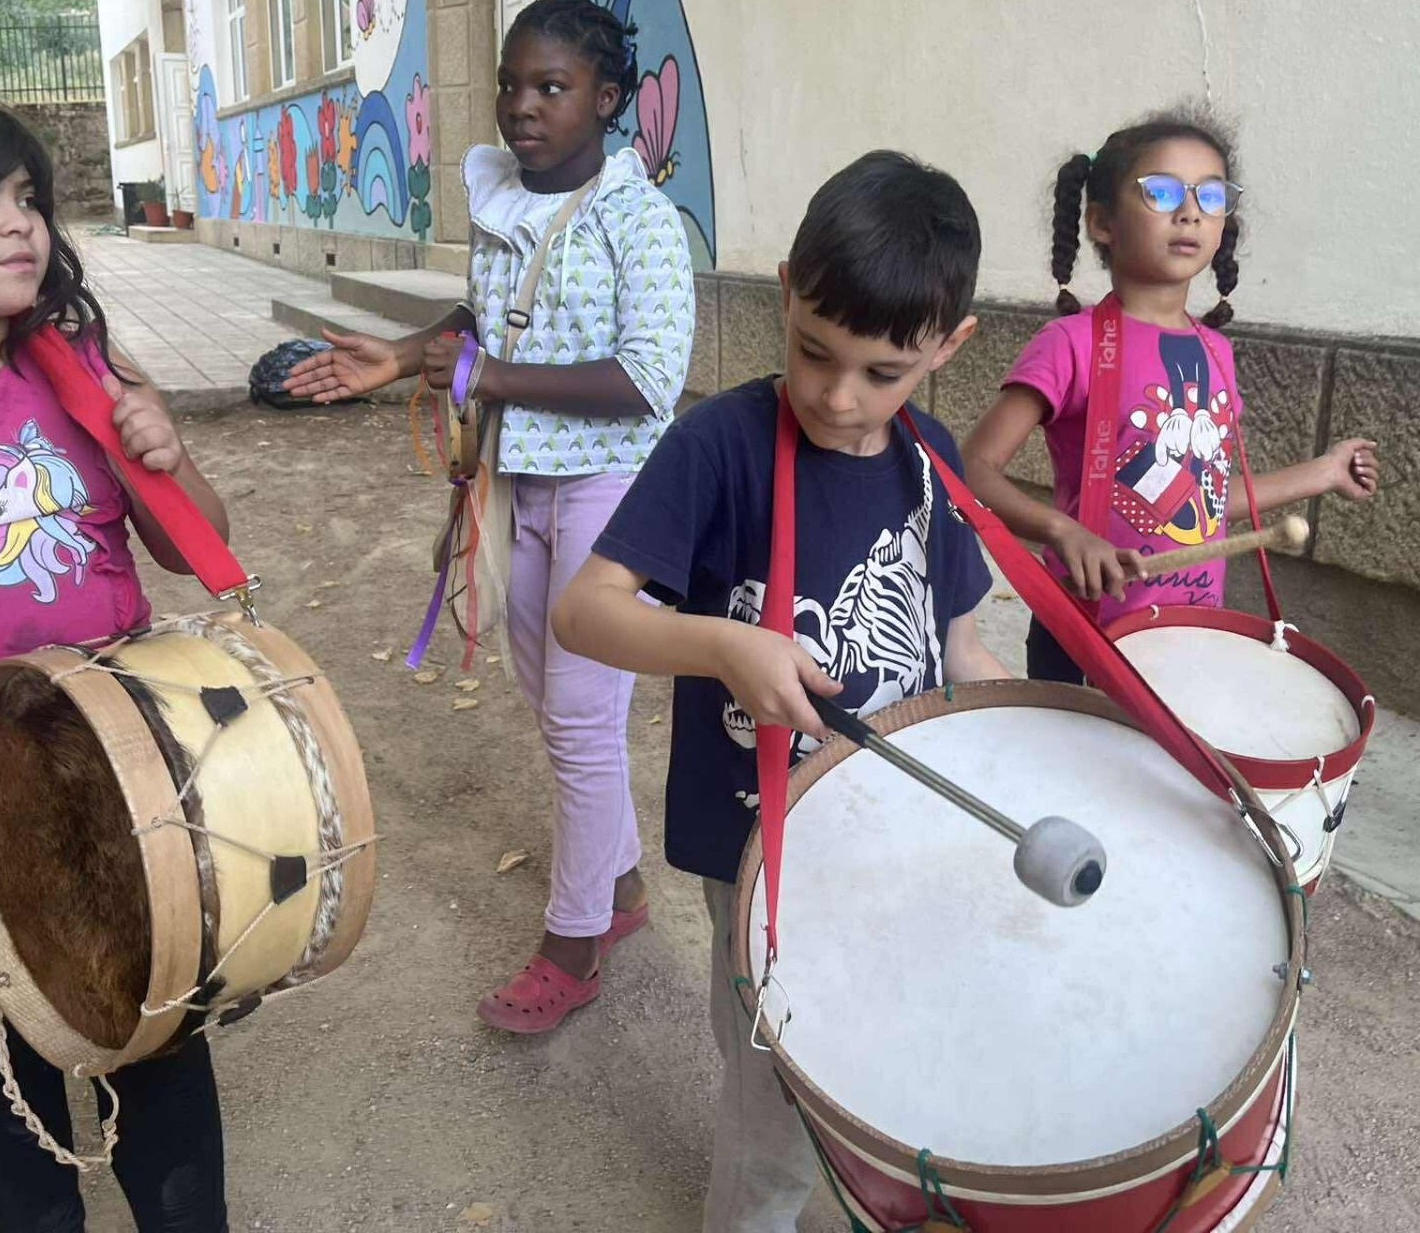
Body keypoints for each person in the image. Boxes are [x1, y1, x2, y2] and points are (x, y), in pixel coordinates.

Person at [551, 150, 1009, 1232]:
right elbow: (585, 612)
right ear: (788, 286)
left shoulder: (932, 461)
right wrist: (722, 646)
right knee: (774, 1100)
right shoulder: (719, 446)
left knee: (881, 1069)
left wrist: (1002, 713)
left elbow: (962, 641)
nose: (838, 396)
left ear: (947, 350)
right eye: (813, 351)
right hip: (765, 851)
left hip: (892, 837)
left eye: (882, 373)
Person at [283, 0, 695, 1032]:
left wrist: (490, 374)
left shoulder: (639, 219)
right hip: (518, 481)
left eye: (552, 88)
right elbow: (487, 316)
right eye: (513, 84)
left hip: (611, 495)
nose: (524, 106)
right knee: (548, 695)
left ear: (606, 99)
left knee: (582, 716)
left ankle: (575, 943)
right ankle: (625, 889)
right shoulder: (504, 195)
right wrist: (404, 353)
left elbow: (647, 377)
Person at [0, 100, 230, 1230]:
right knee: (11, 1112)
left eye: (28, 200)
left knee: (162, 1067)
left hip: (124, 783)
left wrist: (167, 460)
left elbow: (192, 547)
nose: (17, 225)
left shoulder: (78, 365)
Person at [961, 110, 1380, 682]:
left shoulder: (1217, 353)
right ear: (1103, 223)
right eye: (1161, 192)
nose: (1189, 211)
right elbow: (973, 467)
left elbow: (1205, 501)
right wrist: (1063, 530)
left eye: (1210, 195)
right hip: (1084, 634)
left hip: (1187, 633)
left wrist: (1325, 472)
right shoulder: (1072, 343)